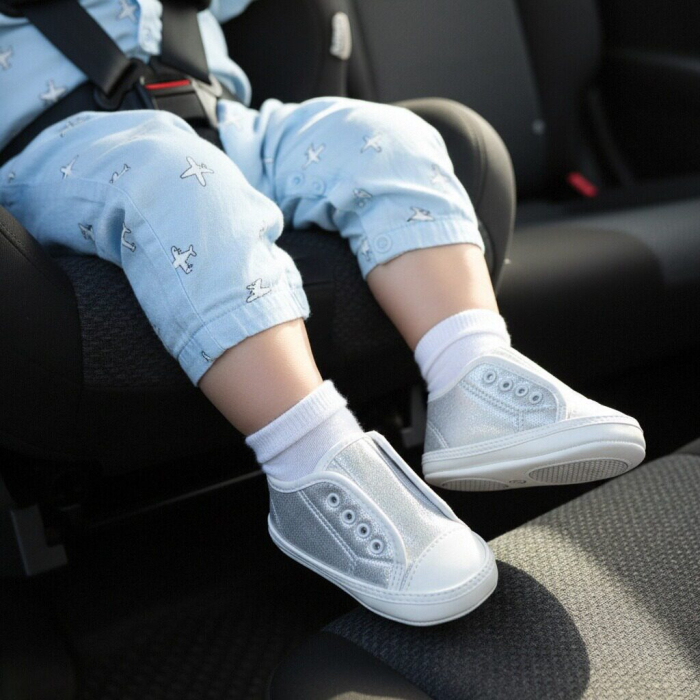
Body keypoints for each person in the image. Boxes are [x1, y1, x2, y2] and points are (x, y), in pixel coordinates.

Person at [0, 0, 645, 625]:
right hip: (62, 151)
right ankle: (307, 464)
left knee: (384, 137)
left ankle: (471, 372)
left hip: (227, 124)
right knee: (175, 175)